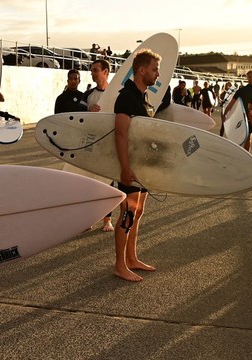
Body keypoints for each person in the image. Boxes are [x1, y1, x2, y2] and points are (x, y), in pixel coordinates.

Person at [112, 49, 160, 282]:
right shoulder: (127, 97)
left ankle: (131, 258)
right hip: (129, 166)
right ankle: (120, 265)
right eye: (154, 69)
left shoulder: (142, 97)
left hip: (142, 167)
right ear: (141, 70)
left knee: (138, 211)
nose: (157, 74)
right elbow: (120, 134)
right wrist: (125, 167)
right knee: (128, 213)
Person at [79, 59, 115, 232]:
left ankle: (107, 219)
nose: (92, 73)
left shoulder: (117, 94)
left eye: (95, 70)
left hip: (110, 146)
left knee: (108, 183)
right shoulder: (88, 95)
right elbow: (77, 117)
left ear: (105, 72)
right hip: (91, 144)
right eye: (92, 70)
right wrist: (88, 111)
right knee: (89, 181)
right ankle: (88, 218)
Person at [221, 70, 252, 151]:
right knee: (238, 137)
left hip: (251, 117)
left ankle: (246, 156)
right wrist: (224, 114)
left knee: (248, 139)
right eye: (250, 77)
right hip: (240, 116)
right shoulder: (242, 90)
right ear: (247, 78)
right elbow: (231, 103)